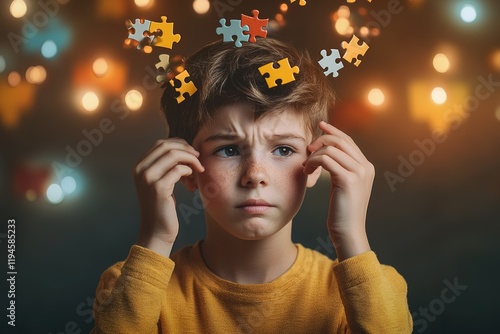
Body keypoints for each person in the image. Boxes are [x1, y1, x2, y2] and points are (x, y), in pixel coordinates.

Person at [91, 38, 412, 333]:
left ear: (316, 162)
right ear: (185, 168)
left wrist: (351, 234)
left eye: (283, 150)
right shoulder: (132, 285)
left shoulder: (368, 291)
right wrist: (155, 237)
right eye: (228, 150)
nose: (255, 175)